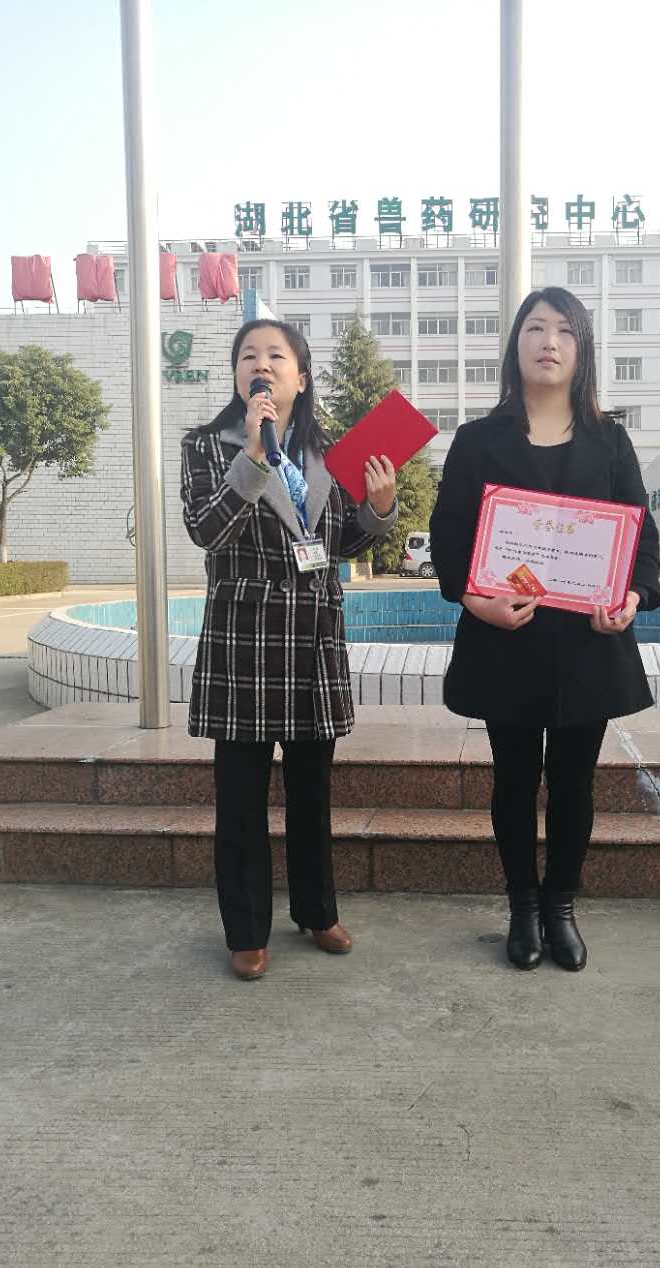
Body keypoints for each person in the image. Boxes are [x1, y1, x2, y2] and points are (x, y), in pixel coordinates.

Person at [429, 287, 660, 973]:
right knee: (512, 780)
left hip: (587, 645)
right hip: (506, 641)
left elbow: (640, 536)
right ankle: (522, 907)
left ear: (582, 349)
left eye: (564, 330)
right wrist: (476, 602)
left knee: (574, 783)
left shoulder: (610, 441)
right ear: (516, 346)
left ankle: (561, 905)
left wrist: (631, 595)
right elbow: (450, 537)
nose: (549, 341)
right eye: (535, 328)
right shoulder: (478, 440)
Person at [181, 319, 397, 981]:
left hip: (313, 637)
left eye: (277, 355)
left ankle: (316, 909)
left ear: (301, 378)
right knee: (240, 799)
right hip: (243, 640)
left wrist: (379, 509)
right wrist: (252, 455)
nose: (262, 364)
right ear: (238, 376)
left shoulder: (330, 453)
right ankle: (246, 930)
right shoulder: (206, 446)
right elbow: (205, 530)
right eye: (249, 355)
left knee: (312, 791)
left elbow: (337, 543)